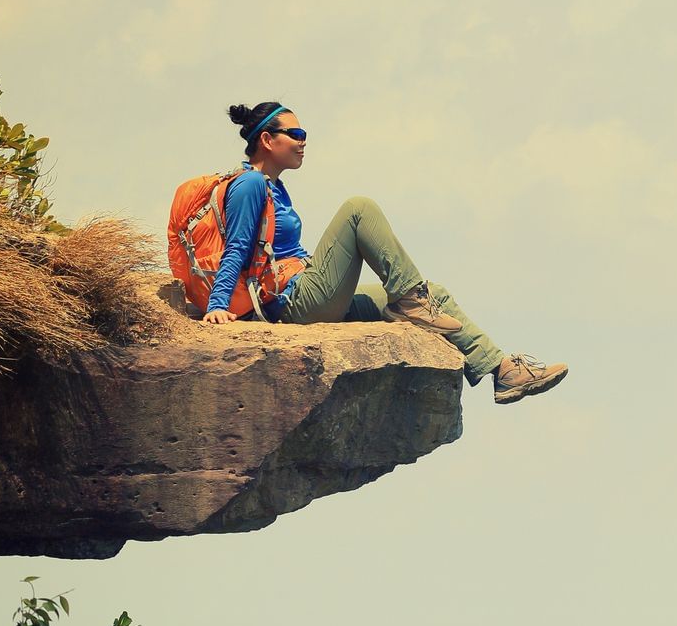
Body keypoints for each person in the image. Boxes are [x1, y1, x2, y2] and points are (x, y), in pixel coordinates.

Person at [202, 100, 567, 404]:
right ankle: (410, 299)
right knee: (359, 208)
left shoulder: (275, 188)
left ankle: (503, 371)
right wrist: (217, 305)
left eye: (304, 135)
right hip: (291, 305)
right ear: (267, 139)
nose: (303, 142)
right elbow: (236, 247)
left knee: (435, 294)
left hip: (309, 294)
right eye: (295, 134)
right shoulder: (249, 184)